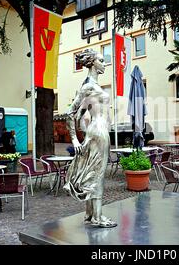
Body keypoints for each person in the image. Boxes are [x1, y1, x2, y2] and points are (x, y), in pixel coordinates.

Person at [63, 49, 116, 228]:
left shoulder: (92, 86)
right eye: (101, 60)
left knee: (93, 172)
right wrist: (74, 140)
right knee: (98, 175)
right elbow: (70, 114)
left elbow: (79, 114)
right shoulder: (88, 86)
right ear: (92, 63)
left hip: (96, 131)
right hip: (98, 132)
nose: (105, 63)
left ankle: (89, 214)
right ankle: (98, 217)